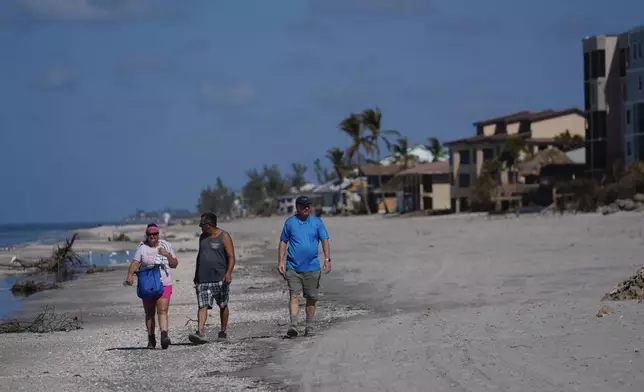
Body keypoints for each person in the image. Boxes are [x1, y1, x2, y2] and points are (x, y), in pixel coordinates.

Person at [277, 196, 331, 337]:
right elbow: (283, 242)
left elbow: (324, 240)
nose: (306, 208)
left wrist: (327, 259)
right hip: (293, 267)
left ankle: (309, 326)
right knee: (294, 295)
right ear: (297, 207)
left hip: (312, 268)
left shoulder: (317, 222)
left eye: (308, 205)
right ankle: (293, 325)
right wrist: (281, 261)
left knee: (311, 297)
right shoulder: (290, 223)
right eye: (302, 205)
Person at [125, 223, 178, 349]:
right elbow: (135, 263)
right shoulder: (142, 248)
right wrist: (130, 275)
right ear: (147, 234)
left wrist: (167, 255)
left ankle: (164, 335)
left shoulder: (165, 245)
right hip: (147, 284)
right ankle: (151, 338)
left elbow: (174, 264)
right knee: (149, 313)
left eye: (155, 233)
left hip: (164, 282)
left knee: (162, 310)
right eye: (150, 234)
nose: (152, 236)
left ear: (158, 234)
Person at [188, 212, 236, 344]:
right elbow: (200, 255)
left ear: (209, 225)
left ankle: (223, 331)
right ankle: (200, 332)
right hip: (203, 278)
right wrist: (196, 275)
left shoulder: (224, 236)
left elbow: (231, 256)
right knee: (202, 305)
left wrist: (228, 273)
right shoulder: (202, 237)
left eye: (202, 225)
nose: (201, 227)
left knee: (223, 304)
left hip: (220, 277)